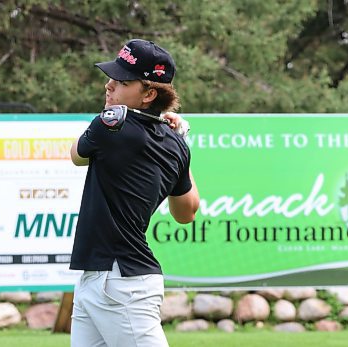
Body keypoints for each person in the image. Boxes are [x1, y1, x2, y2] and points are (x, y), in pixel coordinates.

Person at [69, 38, 200, 347]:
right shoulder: (175, 143)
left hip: (121, 282)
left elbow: (76, 155)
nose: (109, 86)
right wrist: (181, 143)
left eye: (122, 81)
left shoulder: (109, 125)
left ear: (149, 94)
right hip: (103, 278)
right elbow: (187, 212)